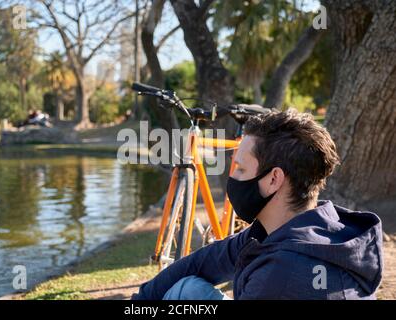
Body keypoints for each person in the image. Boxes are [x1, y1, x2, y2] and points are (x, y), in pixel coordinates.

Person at [132, 109, 383, 300]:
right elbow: (206, 260)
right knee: (187, 289)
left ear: (274, 179)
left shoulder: (279, 275)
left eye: (240, 169)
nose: (233, 178)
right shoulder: (323, 226)